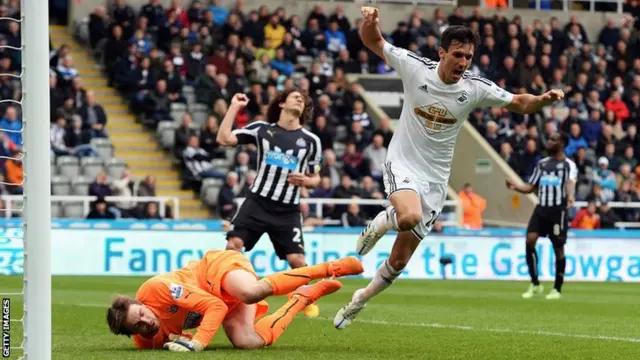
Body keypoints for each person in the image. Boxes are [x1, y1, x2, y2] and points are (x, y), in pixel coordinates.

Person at [334, 7, 566, 329]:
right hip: (402, 162)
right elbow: (373, 42)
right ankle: (381, 222)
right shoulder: (415, 68)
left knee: (399, 261)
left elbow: (518, 102)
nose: (463, 63)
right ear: (441, 52)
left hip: (435, 181)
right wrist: (370, 23)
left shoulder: (473, 88)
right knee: (409, 216)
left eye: (468, 57)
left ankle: (359, 299)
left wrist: (542, 99)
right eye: (458, 55)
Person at [106, 250, 363, 351]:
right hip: (218, 302)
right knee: (247, 342)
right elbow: (174, 331)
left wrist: (198, 342)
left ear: (140, 303)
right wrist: (181, 338)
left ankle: (332, 267)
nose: (146, 322)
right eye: (136, 326)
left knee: (250, 292)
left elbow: (214, 306)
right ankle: (301, 298)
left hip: (213, 272)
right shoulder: (146, 341)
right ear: (132, 333)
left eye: (141, 314)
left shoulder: (155, 290)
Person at [217, 89, 323, 314]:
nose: (299, 99)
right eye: (295, 96)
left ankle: (304, 299)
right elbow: (223, 138)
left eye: (303, 99)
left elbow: (316, 178)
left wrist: (306, 180)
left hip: (288, 210)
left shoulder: (311, 141)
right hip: (257, 203)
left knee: (297, 260)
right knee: (233, 246)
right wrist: (235, 107)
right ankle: (225, 294)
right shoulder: (262, 130)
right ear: (282, 103)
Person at [506, 133, 577, 300]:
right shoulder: (542, 164)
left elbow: (571, 182)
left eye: (553, 139)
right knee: (530, 240)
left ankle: (557, 288)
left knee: (558, 248)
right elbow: (531, 186)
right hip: (541, 209)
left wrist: (571, 196)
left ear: (562, 143)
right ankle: (535, 283)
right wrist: (515, 187)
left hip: (558, 210)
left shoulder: (568, 165)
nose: (549, 141)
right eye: (549, 138)